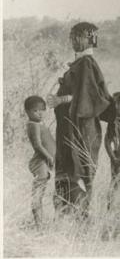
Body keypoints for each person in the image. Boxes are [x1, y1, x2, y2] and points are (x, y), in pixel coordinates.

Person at [48, 21, 112, 217]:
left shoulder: (86, 64)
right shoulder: (79, 63)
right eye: (73, 36)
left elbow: (89, 98)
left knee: (79, 166)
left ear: (91, 39)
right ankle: (66, 215)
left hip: (82, 126)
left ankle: (80, 217)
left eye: (80, 36)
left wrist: (61, 99)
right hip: (70, 125)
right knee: (68, 164)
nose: (74, 40)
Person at [25, 96, 56, 227]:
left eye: (42, 110)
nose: (40, 113)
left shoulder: (38, 124)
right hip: (41, 162)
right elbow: (37, 145)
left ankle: (40, 222)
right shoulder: (33, 125)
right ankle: (39, 223)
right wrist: (49, 156)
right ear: (27, 111)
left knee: (41, 192)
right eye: (35, 111)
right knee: (38, 193)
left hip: (45, 162)